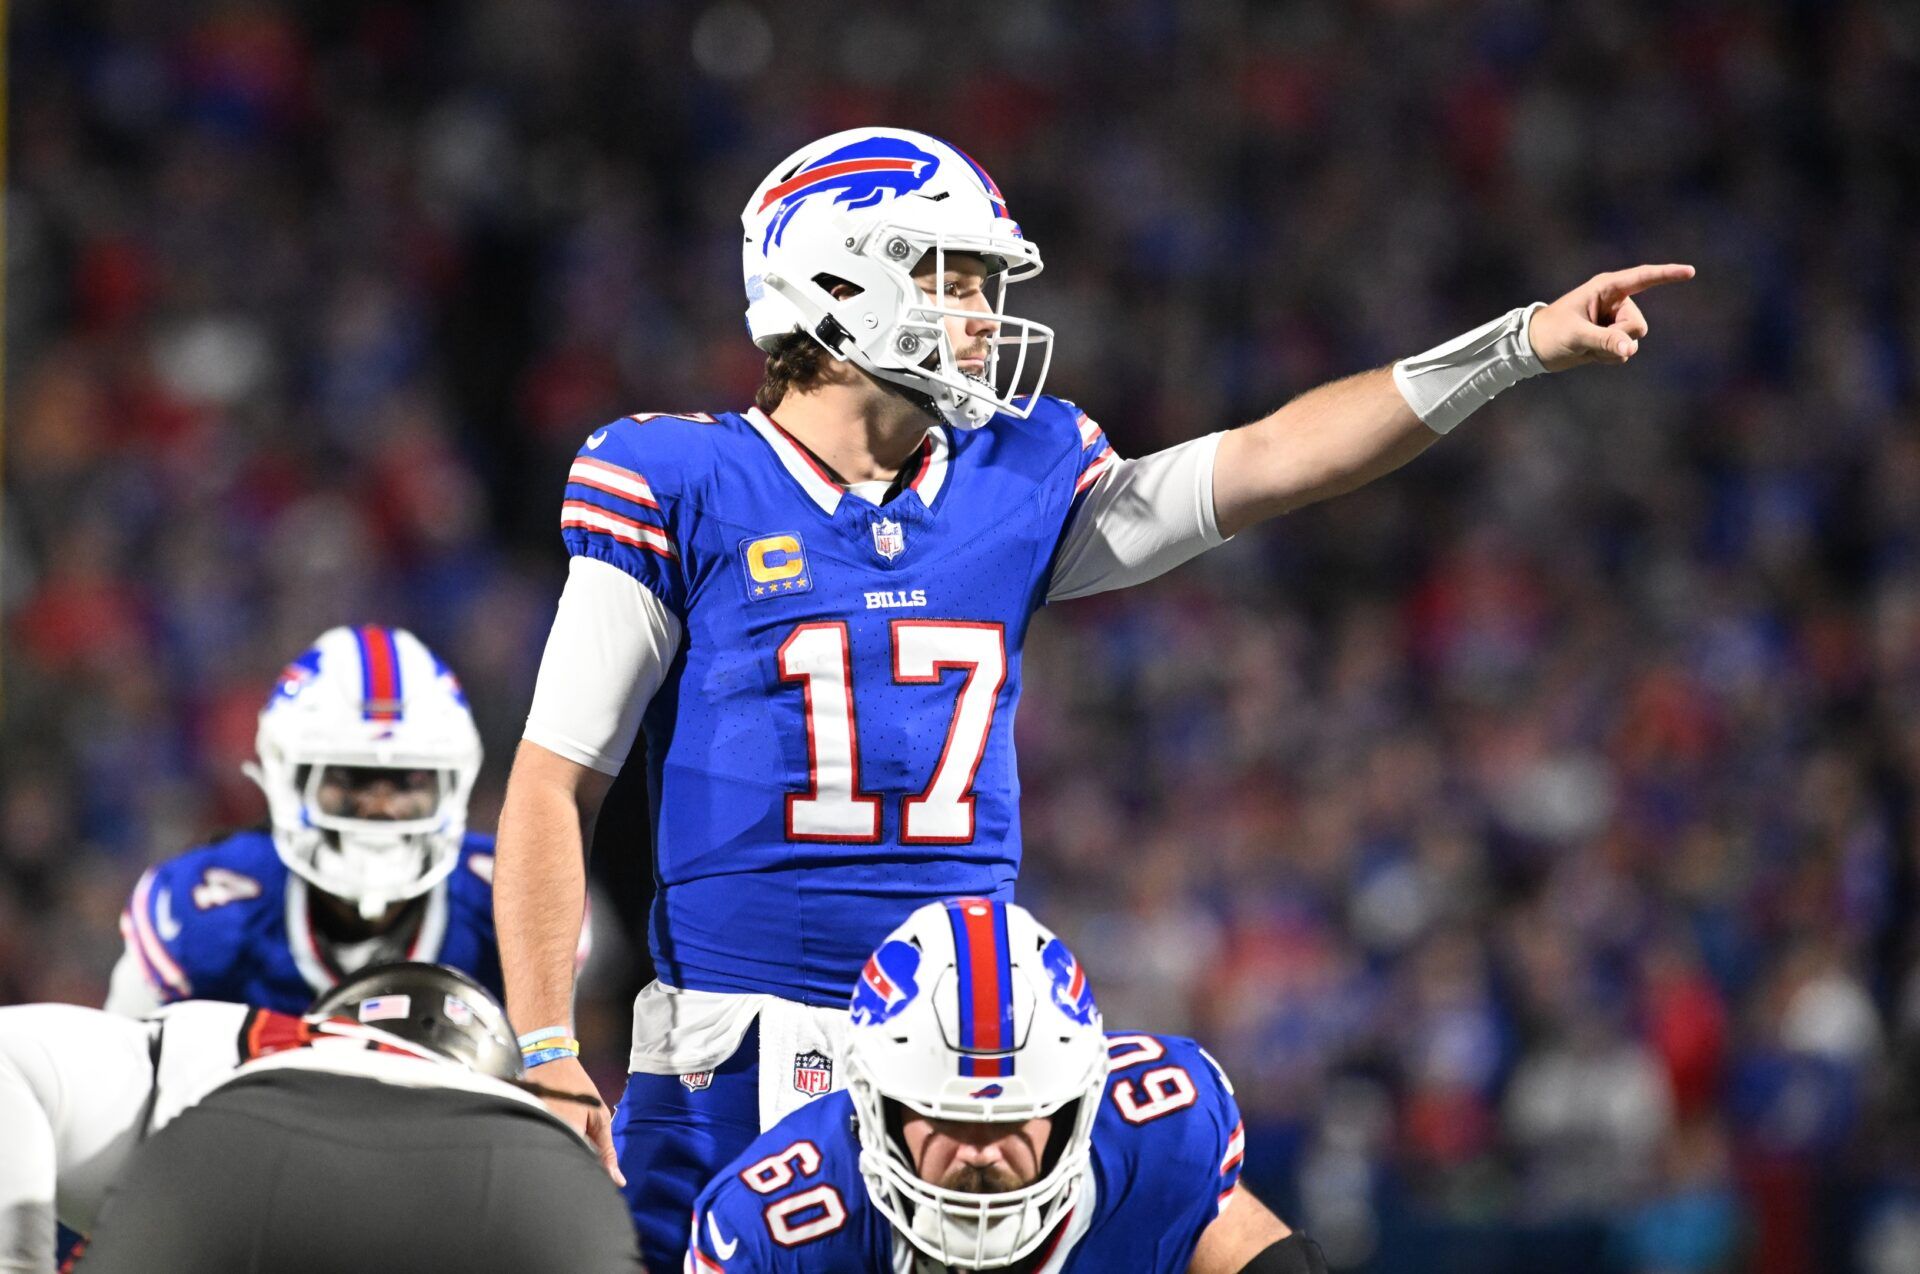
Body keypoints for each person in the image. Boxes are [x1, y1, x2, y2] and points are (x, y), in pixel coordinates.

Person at [492, 124, 1692, 1266]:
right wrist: (547, 1043)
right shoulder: (681, 477)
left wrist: (1515, 344)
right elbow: (556, 779)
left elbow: (1271, 458)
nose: (982, 316)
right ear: (838, 281)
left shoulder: (1017, 471)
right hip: (738, 1050)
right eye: (952, 279)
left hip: (978, 1059)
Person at [685, 899, 1324, 1273]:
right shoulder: (778, 1228)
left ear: (1079, 1105)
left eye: (1012, 1119)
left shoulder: (1159, 1138)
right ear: (874, 1104)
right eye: (948, 1119)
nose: (981, 1152)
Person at [0, 963, 643, 1273]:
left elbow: (11, 1060)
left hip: (235, 1149)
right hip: (536, 1184)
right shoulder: (518, 1113)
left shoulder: (228, 1040)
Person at [104, 625, 512, 1016]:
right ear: (289, 779)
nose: (380, 807)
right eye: (349, 778)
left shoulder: (508, 904)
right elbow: (127, 1073)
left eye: (409, 781)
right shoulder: (206, 916)